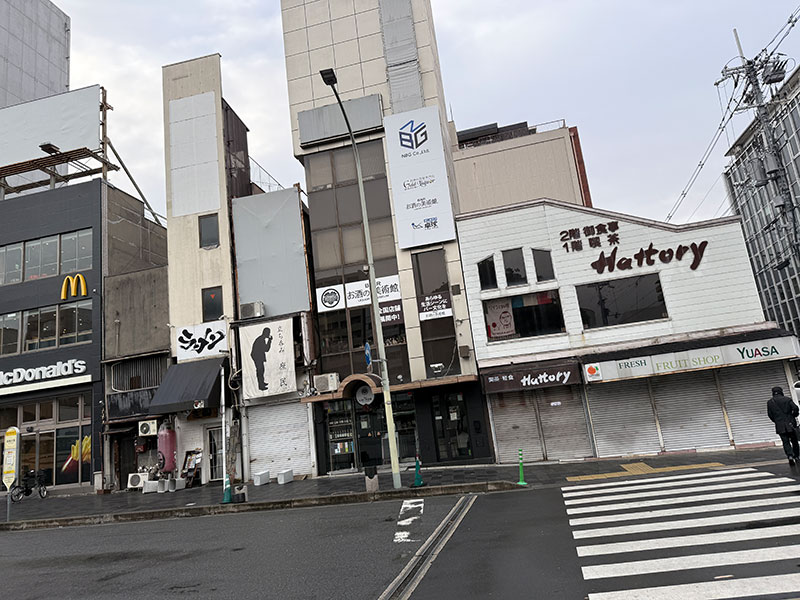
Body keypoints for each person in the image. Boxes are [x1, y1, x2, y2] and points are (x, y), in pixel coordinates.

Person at [767, 386, 800, 465]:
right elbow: (795, 408)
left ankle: (790, 456)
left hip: (780, 425)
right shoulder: (787, 399)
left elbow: (770, 414)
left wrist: (776, 421)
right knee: (794, 441)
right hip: (790, 424)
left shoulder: (770, 402)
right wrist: (794, 415)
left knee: (785, 442)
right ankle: (796, 456)